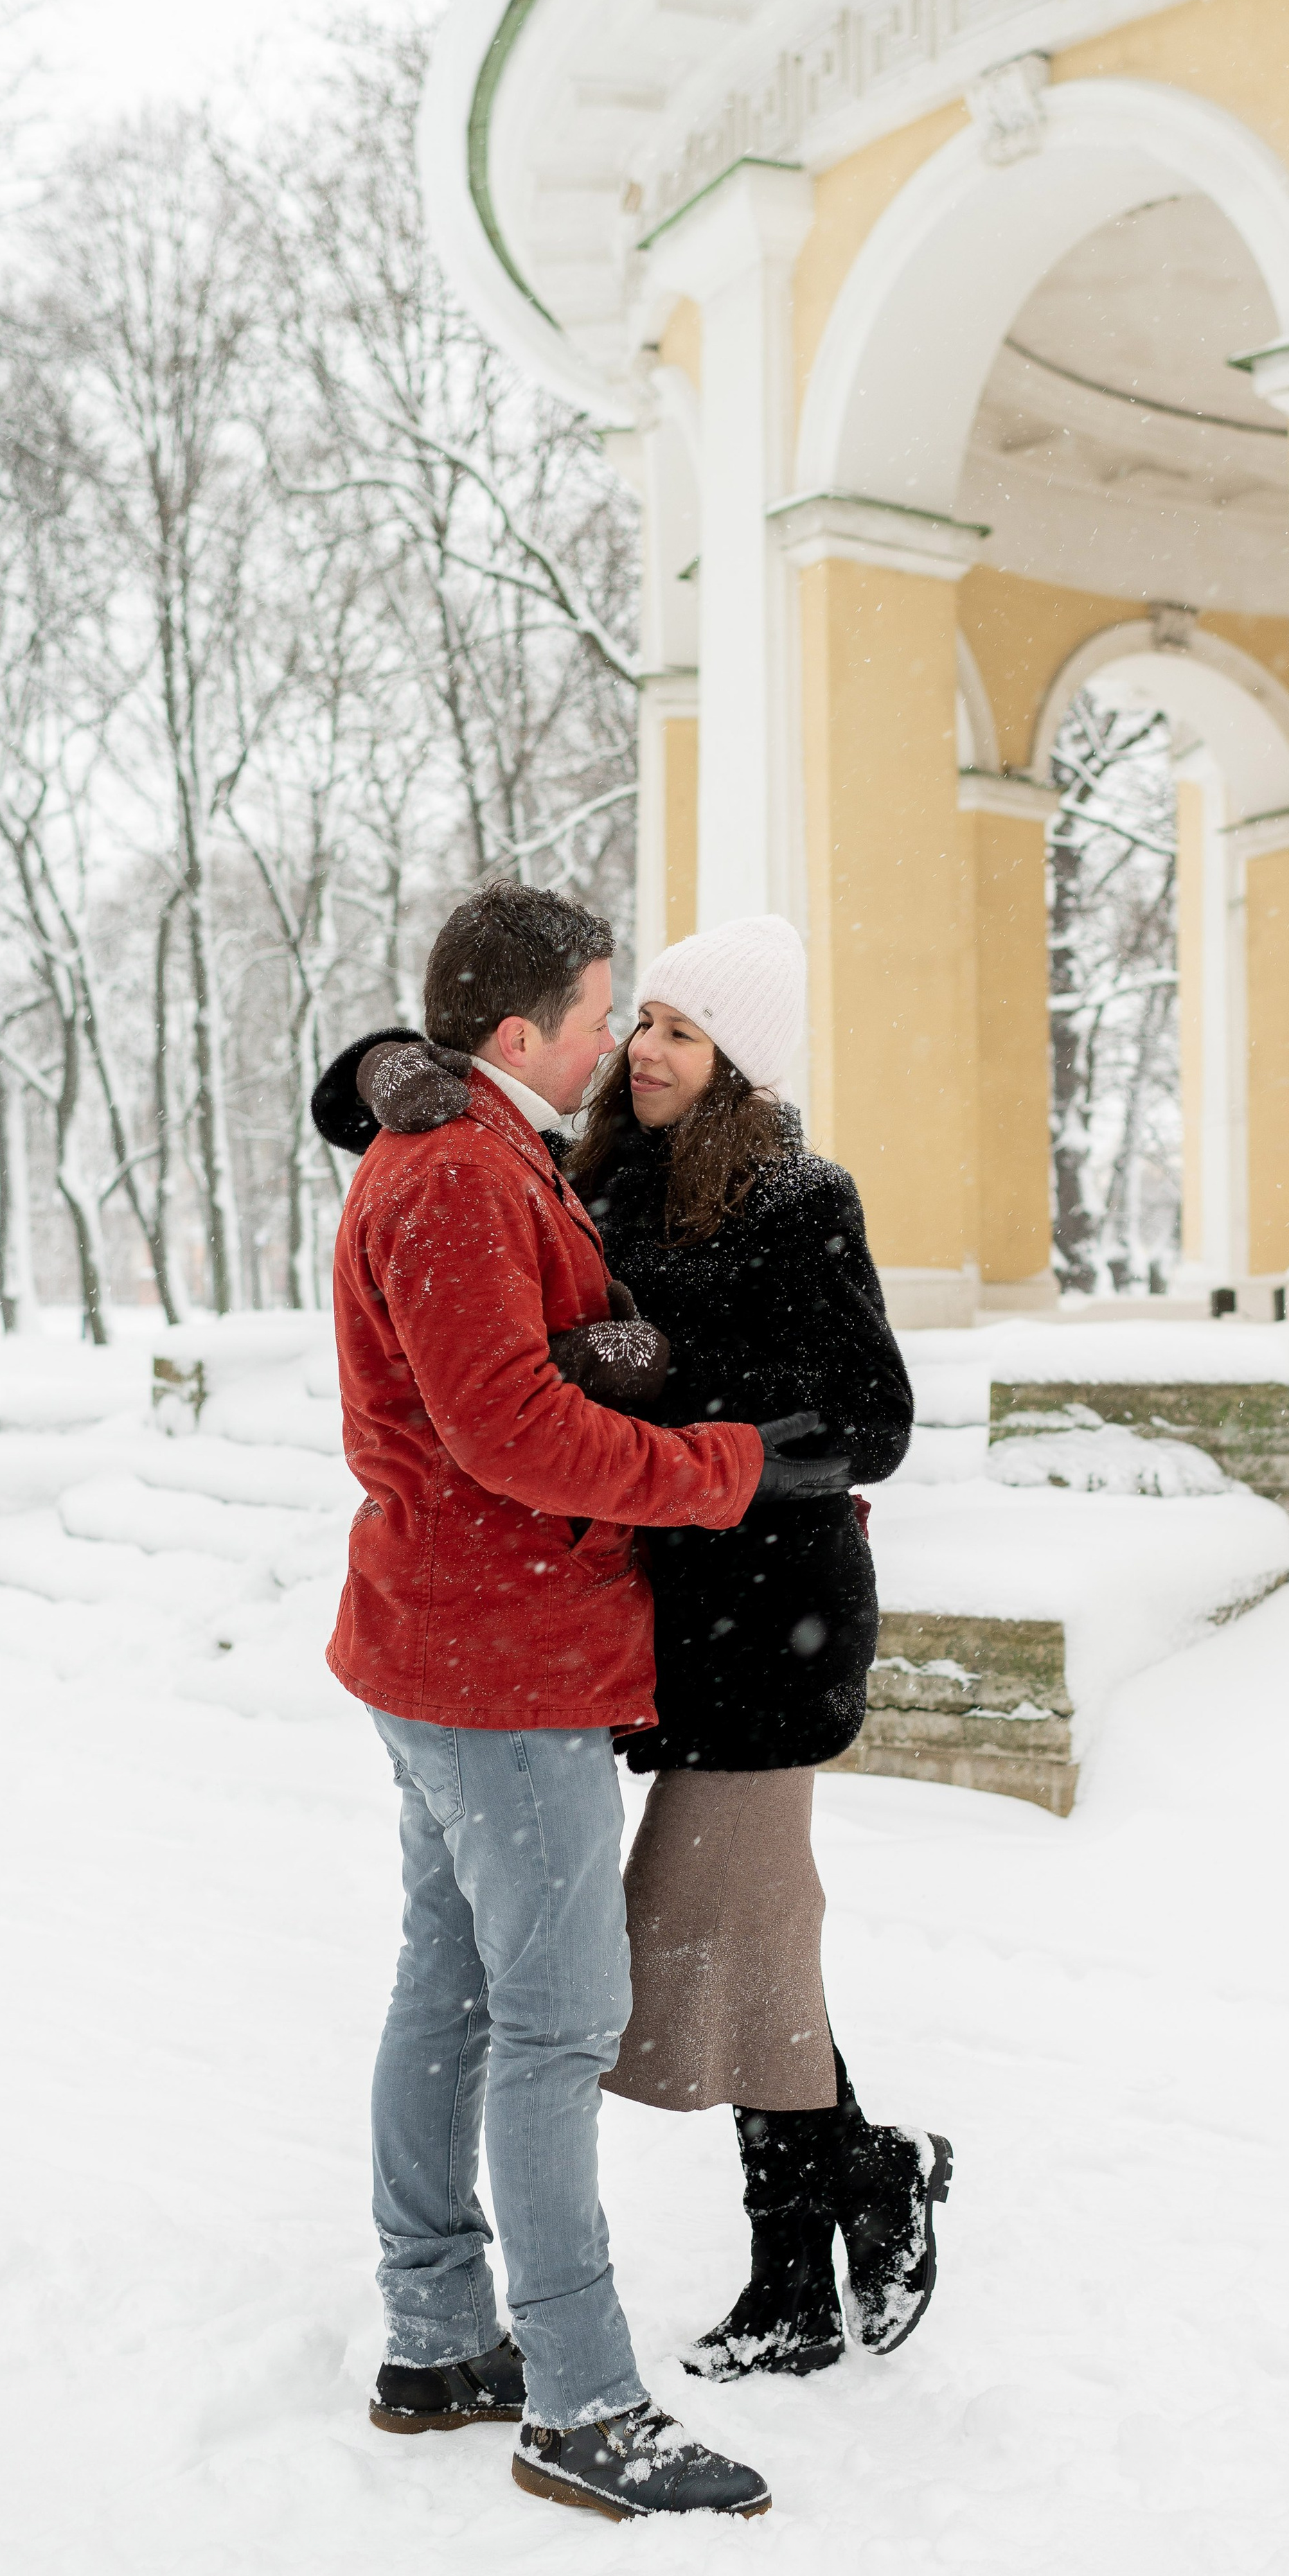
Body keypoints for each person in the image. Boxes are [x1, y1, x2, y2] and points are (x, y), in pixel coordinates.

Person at [326, 912, 952, 2393]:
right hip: (645, 1618)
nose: (644, 1049)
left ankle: (816, 2239)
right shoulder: (581, 1174)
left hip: (770, 1619)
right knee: (723, 1949)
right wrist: (380, 1073)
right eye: (638, 1018)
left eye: (681, 1029)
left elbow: (870, 1416)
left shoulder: (800, 1195)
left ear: (741, 1061)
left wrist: (693, 1401)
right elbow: (472, 1241)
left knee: (729, 1940)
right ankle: (851, 2195)